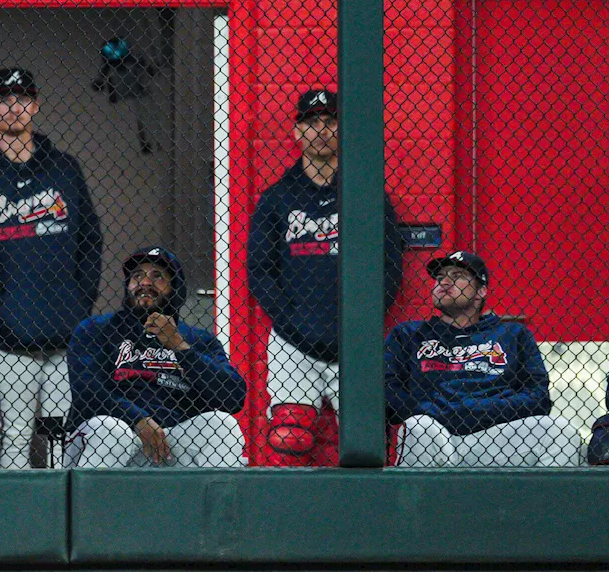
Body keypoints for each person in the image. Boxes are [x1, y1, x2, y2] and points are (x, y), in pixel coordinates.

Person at [246, 87, 403, 466]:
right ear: (297, 133)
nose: (321, 129)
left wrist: (361, 322)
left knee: (365, 441)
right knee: (289, 437)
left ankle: (364, 519)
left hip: (356, 341)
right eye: (311, 122)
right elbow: (259, 271)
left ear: (342, 130)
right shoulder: (276, 198)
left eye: (330, 121)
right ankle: (291, 521)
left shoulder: (366, 194)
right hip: (292, 342)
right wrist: (294, 324)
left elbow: (391, 265)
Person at [0, 67, 103, 469]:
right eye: (4, 99)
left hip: (64, 328)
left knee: (60, 431)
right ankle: (9, 521)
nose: (14, 108)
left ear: (36, 105)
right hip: (10, 332)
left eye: (23, 99)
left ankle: (59, 519)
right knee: (14, 433)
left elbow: (91, 238)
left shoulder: (64, 168)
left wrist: (78, 305)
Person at [386, 251, 582, 467]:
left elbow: (538, 397)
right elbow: (388, 391)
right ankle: (417, 502)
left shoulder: (513, 334)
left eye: (457, 275)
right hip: (436, 433)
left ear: (481, 291)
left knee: (560, 431)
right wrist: (434, 411)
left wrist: (478, 409)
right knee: (417, 425)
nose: (445, 282)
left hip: (497, 435)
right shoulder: (408, 334)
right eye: (440, 277)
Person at [64, 247, 247, 468]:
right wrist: (137, 419)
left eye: (157, 276)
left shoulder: (197, 339)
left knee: (222, 425)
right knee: (112, 430)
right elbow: (87, 392)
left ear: (174, 288)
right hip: (112, 436)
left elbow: (233, 397)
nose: (145, 283)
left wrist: (180, 347)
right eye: (137, 276)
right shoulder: (95, 329)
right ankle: (87, 503)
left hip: (171, 441)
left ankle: (222, 502)